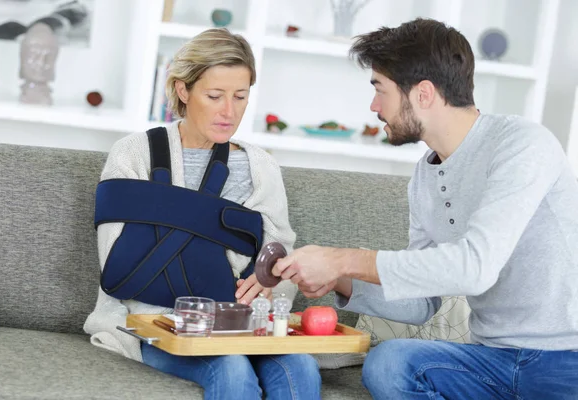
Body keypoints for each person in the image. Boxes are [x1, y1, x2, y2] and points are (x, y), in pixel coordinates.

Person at [272, 18, 578, 399]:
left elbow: (475, 268)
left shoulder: (522, 144)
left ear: (424, 94)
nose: (373, 106)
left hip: (566, 361)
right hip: (491, 361)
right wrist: (340, 279)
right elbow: (421, 304)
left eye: (380, 90)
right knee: (390, 363)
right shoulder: (424, 177)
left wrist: (342, 259)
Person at [84, 28, 321, 400]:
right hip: (154, 323)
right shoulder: (133, 154)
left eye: (240, 97)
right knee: (229, 365)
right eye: (215, 96)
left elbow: (278, 255)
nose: (230, 111)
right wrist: (229, 260)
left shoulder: (259, 166)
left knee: (300, 365)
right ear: (183, 90)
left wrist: (271, 277)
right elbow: (121, 266)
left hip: (243, 324)